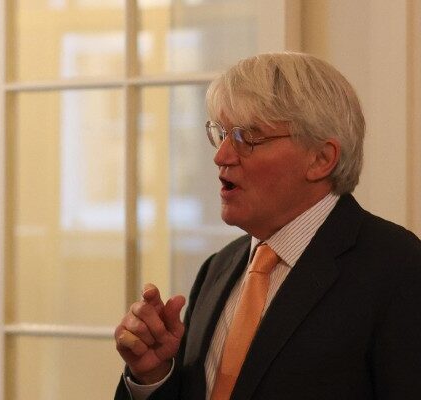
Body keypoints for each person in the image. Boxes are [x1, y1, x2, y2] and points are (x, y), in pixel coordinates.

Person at [113, 52, 421, 399]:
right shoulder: (219, 267)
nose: (222, 155)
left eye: (247, 137)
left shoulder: (399, 268)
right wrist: (153, 374)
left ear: (321, 159)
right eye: (222, 133)